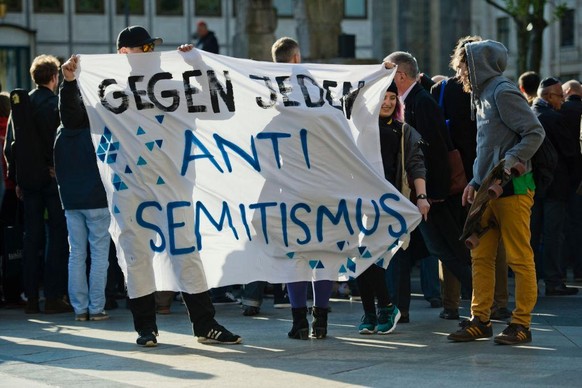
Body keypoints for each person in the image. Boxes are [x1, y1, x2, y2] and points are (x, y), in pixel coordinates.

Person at [60, 25, 241, 346]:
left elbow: (221, 105)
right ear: (123, 55)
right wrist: (71, 82)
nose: (151, 54)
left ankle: (205, 325)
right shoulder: (108, 89)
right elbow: (73, 121)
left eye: (152, 48)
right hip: (130, 189)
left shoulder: (170, 86)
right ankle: (145, 328)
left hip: (173, 187)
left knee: (186, 253)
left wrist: (197, 65)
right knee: (136, 256)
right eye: (143, 50)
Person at [448, 39, 544, 345]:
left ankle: (521, 324)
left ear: (479, 65)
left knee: (519, 258)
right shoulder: (482, 94)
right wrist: (475, 182)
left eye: (463, 65)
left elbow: (535, 132)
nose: (460, 72)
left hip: (513, 190)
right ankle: (481, 320)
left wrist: (511, 164)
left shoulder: (502, 91)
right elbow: (487, 147)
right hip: (486, 193)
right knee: (481, 257)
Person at [384, 51, 472, 323]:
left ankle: (484, 302)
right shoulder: (410, 101)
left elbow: (435, 151)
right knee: (402, 250)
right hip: (414, 195)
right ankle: (399, 309)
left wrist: (432, 194)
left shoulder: (421, 102)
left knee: (448, 250)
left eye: (387, 71)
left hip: (430, 196)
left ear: (399, 75)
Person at [265, 37, 334, 339]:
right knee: (324, 253)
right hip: (324, 187)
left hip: (290, 191)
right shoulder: (321, 102)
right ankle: (320, 319)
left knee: (297, 256)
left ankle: (298, 321)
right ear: (297, 58)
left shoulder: (271, 103)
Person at [356, 81, 428, 335]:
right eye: (382, 97)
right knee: (361, 257)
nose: (387, 102)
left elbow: (415, 165)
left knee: (373, 257)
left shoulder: (403, 131)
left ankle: (386, 307)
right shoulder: (359, 130)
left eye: (391, 97)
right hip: (360, 203)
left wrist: (421, 196)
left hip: (390, 204)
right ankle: (370, 312)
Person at [9, 55, 71, 315]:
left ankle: (32, 298)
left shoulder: (21, 106)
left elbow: (10, 146)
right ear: (55, 77)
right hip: (51, 181)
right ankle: (54, 297)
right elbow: (58, 142)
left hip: (28, 182)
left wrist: (17, 177)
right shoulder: (53, 104)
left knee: (31, 238)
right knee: (56, 238)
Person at [55, 74, 111, 321]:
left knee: (76, 254)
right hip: (97, 198)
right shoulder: (96, 133)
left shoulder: (59, 135)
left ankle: (80, 309)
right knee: (99, 254)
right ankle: (96, 307)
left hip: (70, 199)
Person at [530, 77, 579, 296]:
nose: (563, 100)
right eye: (561, 96)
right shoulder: (553, 118)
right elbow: (571, 154)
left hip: (533, 185)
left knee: (533, 233)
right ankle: (554, 281)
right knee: (553, 235)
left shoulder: (531, 113)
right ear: (549, 96)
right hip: (555, 186)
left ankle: (531, 280)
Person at [560, 80, 582, 282]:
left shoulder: (562, 111)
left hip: (568, 177)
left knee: (572, 225)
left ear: (567, 92)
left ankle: (577, 268)